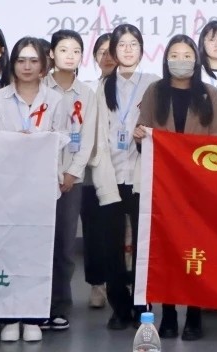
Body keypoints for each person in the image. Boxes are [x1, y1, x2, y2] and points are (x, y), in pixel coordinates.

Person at [0, 37, 86, 342]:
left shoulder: (55, 100)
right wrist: (15, 139)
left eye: (33, 61)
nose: (26, 66)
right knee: (8, 251)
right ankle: (8, 315)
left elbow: (64, 136)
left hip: (42, 187)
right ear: (12, 64)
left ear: (43, 65)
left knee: (39, 252)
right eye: (21, 60)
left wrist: (39, 139)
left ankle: (34, 315)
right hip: (6, 188)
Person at [135, 35, 217, 341]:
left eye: (187, 55)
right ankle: (170, 315)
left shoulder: (209, 93)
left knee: (197, 251)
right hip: (164, 187)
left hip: (199, 187)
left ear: (196, 60)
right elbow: (143, 132)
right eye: (175, 55)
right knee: (168, 250)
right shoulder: (154, 91)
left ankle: (194, 316)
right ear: (166, 59)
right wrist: (139, 136)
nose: (181, 60)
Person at [83, 24, 159, 331]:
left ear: (142, 50)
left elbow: (161, 128)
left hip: (142, 175)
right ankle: (119, 306)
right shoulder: (100, 87)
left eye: (133, 44)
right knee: (110, 245)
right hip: (111, 175)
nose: (128, 50)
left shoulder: (153, 84)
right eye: (122, 45)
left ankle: (142, 304)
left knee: (143, 246)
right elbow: (94, 133)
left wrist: (147, 135)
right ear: (113, 51)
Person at [40, 29, 93, 330]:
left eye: (76, 51)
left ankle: (59, 305)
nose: (70, 56)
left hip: (71, 180)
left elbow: (88, 138)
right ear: (51, 53)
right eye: (63, 50)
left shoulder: (87, 94)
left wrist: (73, 172)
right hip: (37, 176)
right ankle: (33, 305)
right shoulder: (38, 87)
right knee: (36, 242)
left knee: (64, 245)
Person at [81, 33, 114, 310]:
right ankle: (97, 284)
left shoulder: (136, 89)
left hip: (123, 171)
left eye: (112, 51)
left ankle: (122, 284)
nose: (108, 57)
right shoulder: (87, 89)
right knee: (94, 231)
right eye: (102, 52)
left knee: (122, 232)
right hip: (91, 174)